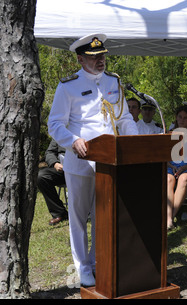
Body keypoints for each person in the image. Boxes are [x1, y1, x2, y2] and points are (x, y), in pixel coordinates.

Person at [47, 33, 138, 287]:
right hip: (79, 161)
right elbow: (54, 124)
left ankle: (100, 261)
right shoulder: (68, 86)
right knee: (78, 217)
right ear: (80, 59)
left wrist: (137, 143)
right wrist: (72, 140)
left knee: (104, 215)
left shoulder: (113, 83)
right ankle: (83, 267)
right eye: (93, 57)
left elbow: (124, 119)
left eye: (102, 56)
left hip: (108, 162)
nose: (100, 61)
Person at [167, 105, 187, 229]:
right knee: (169, 180)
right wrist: (172, 166)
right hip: (171, 166)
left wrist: (183, 168)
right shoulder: (169, 134)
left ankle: (170, 219)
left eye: (185, 118)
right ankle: (169, 217)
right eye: (180, 117)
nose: (182, 120)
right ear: (176, 118)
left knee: (183, 179)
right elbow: (164, 157)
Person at [37, 139, 68, 226]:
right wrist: (55, 163)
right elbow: (50, 152)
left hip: (82, 170)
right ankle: (59, 213)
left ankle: (88, 212)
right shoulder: (61, 131)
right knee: (42, 176)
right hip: (63, 170)